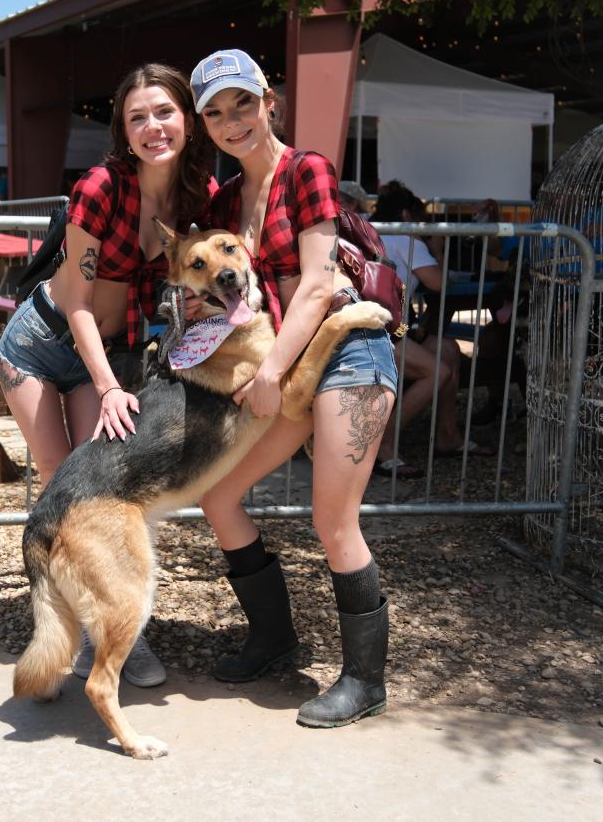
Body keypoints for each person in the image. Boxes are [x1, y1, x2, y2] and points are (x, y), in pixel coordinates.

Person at [188, 48, 398, 728]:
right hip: (283, 368)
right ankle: (275, 640)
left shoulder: (306, 170)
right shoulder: (222, 199)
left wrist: (271, 374)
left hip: (344, 352)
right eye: (215, 113)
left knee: (332, 520)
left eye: (241, 104)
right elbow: (230, 296)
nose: (231, 122)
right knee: (218, 496)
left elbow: (316, 283)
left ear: (267, 102)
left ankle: (365, 680)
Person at [0, 62, 216, 688]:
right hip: (42, 344)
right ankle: (72, 638)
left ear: (188, 119)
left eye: (164, 112)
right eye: (137, 116)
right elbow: (79, 301)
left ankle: (111, 640)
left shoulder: (195, 196)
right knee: (62, 487)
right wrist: (112, 386)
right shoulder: (102, 186)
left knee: (100, 499)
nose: (153, 127)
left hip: (110, 354)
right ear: (123, 127)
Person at [371, 181, 494, 477]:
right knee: (436, 371)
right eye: (421, 218)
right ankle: (382, 445)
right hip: (378, 332)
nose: (425, 225)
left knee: (448, 349)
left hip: (374, 325)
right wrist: (436, 246)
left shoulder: (371, 230)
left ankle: (447, 437)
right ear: (406, 214)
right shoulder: (407, 240)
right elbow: (439, 283)